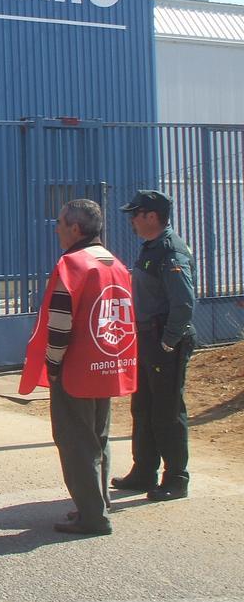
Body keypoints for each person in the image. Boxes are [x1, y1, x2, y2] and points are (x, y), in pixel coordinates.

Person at [20, 199, 136, 536]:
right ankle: (96, 504)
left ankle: (93, 516)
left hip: (78, 368)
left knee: (75, 442)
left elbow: (60, 323)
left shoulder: (72, 265)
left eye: (59, 223)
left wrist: (53, 365)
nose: (55, 229)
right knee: (98, 437)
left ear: (75, 228)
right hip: (109, 362)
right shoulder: (115, 262)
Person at [113, 190, 197, 502]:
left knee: (167, 410)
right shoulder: (152, 248)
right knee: (144, 406)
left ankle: (176, 477)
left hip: (164, 339)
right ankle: (143, 470)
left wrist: (168, 342)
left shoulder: (169, 250)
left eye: (136, 214)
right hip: (148, 338)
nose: (132, 220)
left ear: (151, 216)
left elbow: (183, 302)